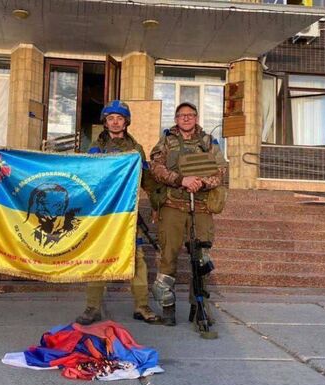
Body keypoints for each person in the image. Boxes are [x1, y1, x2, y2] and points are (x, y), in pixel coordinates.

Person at [75, 100, 162, 326]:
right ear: (105, 122)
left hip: (127, 214)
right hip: (102, 214)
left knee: (137, 259)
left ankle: (142, 306)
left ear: (126, 122)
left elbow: (147, 180)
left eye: (119, 118)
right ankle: (92, 307)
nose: (115, 122)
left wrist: (156, 205)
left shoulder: (135, 150)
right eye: (110, 118)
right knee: (98, 258)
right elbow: (85, 178)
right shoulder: (95, 149)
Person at [149, 102, 226, 332]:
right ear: (176, 119)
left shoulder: (208, 142)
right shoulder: (166, 141)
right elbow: (155, 168)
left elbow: (220, 171)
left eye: (190, 115)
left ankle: (199, 306)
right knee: (168, 256)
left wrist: (201, 182)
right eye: (181, 115)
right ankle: (168, 307)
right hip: (173, 205)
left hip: (201, 207)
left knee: (201, 258)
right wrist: (181, 180)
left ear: (196, 118)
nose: (186, 118)